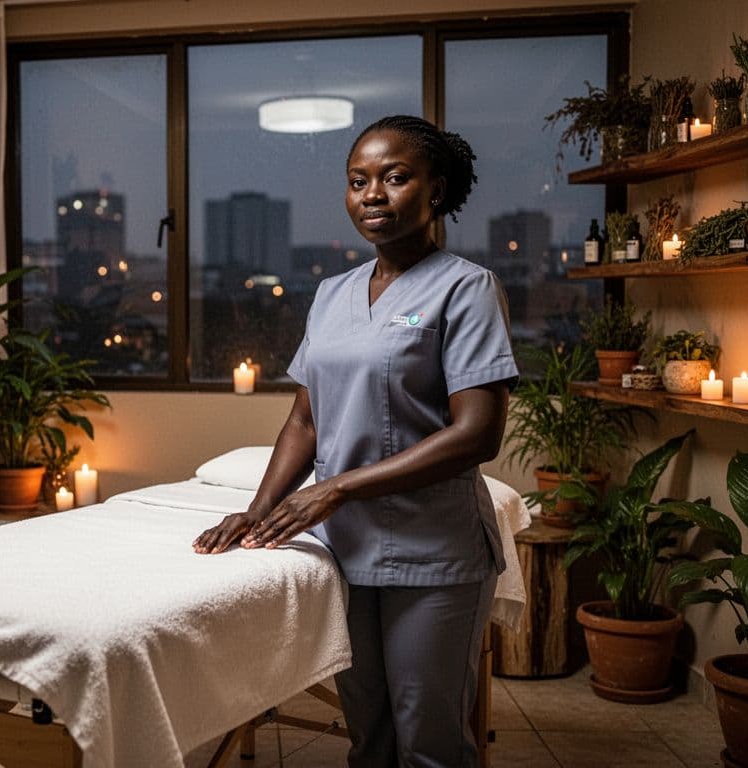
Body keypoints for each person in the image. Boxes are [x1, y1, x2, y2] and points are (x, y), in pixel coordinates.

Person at [193, 115, 518, 768]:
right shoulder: (331, 294)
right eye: (357, 180)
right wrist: (259, 512)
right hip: (345, 552)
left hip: (434, 554)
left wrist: (335, 488)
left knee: (429, 739)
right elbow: (304, 422)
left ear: (437, 189)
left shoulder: (467, 287)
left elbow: (477, 433)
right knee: (367, 735)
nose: (372, 194)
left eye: (395, 177)